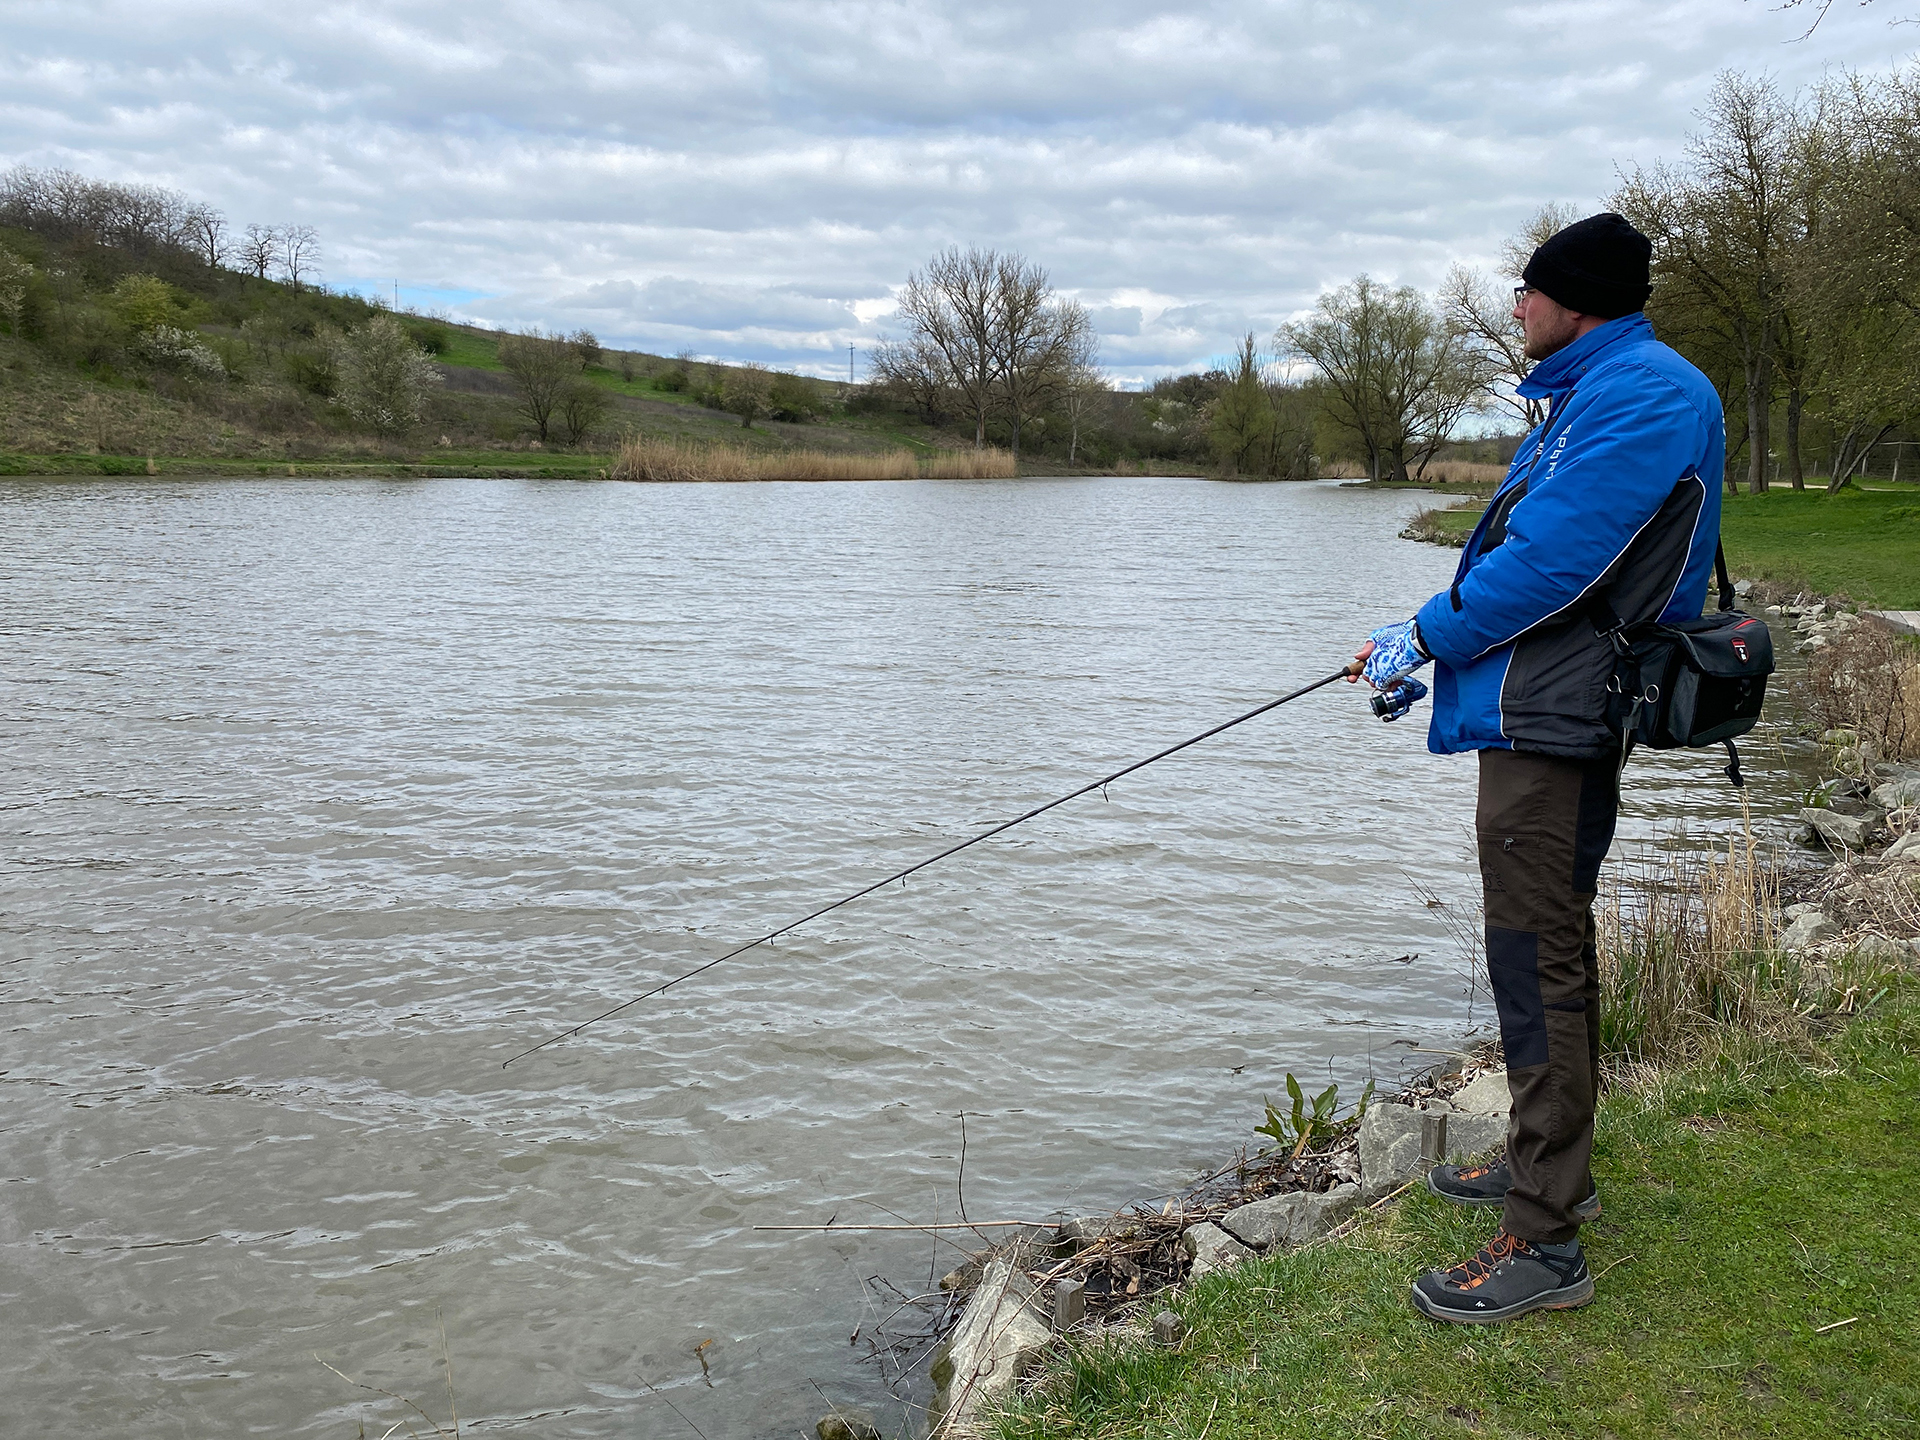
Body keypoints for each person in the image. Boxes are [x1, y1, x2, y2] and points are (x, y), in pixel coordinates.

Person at [1353, 212, 1726, 1325]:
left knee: (1534, 955)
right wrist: (1416, 639)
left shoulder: (1647, 393)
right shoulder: (1586, 394)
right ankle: (1544, 1165)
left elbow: (1557, 562)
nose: (1514, 306)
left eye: (1528, 290)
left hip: (1558, 716)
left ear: (1579, 298)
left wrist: (1427, 634)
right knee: (1544, 943)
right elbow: (1522, 554)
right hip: (1533, 704)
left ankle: (1546, 1238)